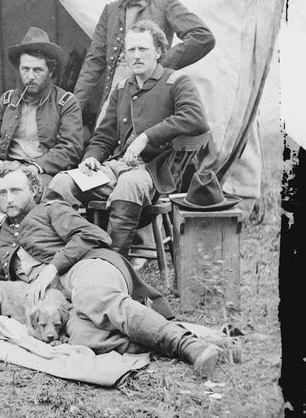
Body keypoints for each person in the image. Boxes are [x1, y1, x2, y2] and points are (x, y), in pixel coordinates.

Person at [0, 161, 232, 377]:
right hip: (62, 298)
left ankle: (188, 346)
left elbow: (92, 234)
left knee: (93, 298)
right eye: (2, 192)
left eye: (15, 190)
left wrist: (52, 269)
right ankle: (204, 339)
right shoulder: (3, 233)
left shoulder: (51, 209)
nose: (9, 198)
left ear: (33, 190)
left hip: (86, 268)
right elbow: (7, 283)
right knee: (82, 336)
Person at [46, 20, 209, 257]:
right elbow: (104, 136)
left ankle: (113, 260)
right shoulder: (123, 88)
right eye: (131, 50)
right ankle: (68, 251)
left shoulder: (176, 82)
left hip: (154, 172)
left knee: (129, 184)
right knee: (62, 183)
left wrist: (146, 136)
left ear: (159, 51)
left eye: (143, 49)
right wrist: (91, 158)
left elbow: (196, 118)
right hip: (117, 166)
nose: (136, 55)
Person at [0, 27, 83, 280]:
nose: (30, 76)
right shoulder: (7, 100)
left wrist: (37, 166)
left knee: (40, 192)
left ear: (50, 71)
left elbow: (70, 147)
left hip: (44, 170)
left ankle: (30, 256)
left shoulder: (65, 102)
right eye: (25, 69)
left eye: (38, 70)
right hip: (8, 167)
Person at [73, 0, 214, 133]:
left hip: (151, 93)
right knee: (103, 143)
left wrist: (161, 65)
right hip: (116, 93)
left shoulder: (166, 5)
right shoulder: (110, 11)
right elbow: (94, 61)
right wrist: (73, 108)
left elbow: (202, 36)